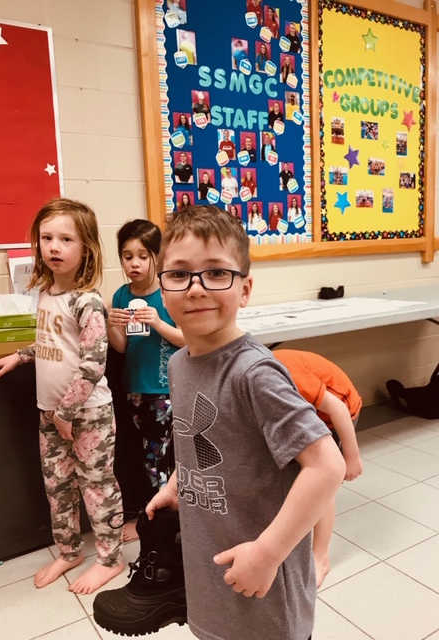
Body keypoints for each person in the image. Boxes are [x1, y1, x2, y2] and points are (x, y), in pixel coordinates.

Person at [146, 205, 345, 640]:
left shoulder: (253, 373)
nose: (196, 288)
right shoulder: (180, 363)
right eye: (179, 274)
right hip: (212, 578)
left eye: (216, 272)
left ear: (246, 288)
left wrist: (269, 553)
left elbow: (327, 466)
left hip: (266, 596)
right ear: (162, 288)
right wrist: (177, 484)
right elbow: (200, 437)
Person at [0, 198, 124, 595]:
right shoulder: (46, 292)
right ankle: (69, 551)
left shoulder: (87, 301)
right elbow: (54, 343)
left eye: (66, 239)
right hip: (51, 413)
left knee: (97, 486)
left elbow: (93, 364)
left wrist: (66, 412)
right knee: (58, 487)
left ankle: (111, 559)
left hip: (88, 414)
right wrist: (19, 355)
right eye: (47, 238)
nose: (54, 247)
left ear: (86, 247)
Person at [108, 220, 185, 540]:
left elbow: (188, 339)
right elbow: (121, 347)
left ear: (157, 256)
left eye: (143, 256)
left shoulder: (169, 292)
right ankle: (163, 513)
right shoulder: (121, 294)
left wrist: (158, 322)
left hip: (164, 390)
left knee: (155, 458)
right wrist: (112, 324)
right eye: (127, 256)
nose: (134, 264)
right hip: (134, 389)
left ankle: (155, 521)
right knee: (147, 456)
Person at [273, 349, 363, 588]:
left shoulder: (286, 375)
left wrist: (351, 457)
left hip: (335, 415)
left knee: (322, 481)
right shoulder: (255, 377)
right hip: (305, 411)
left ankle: (321, 557)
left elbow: (339, 409)